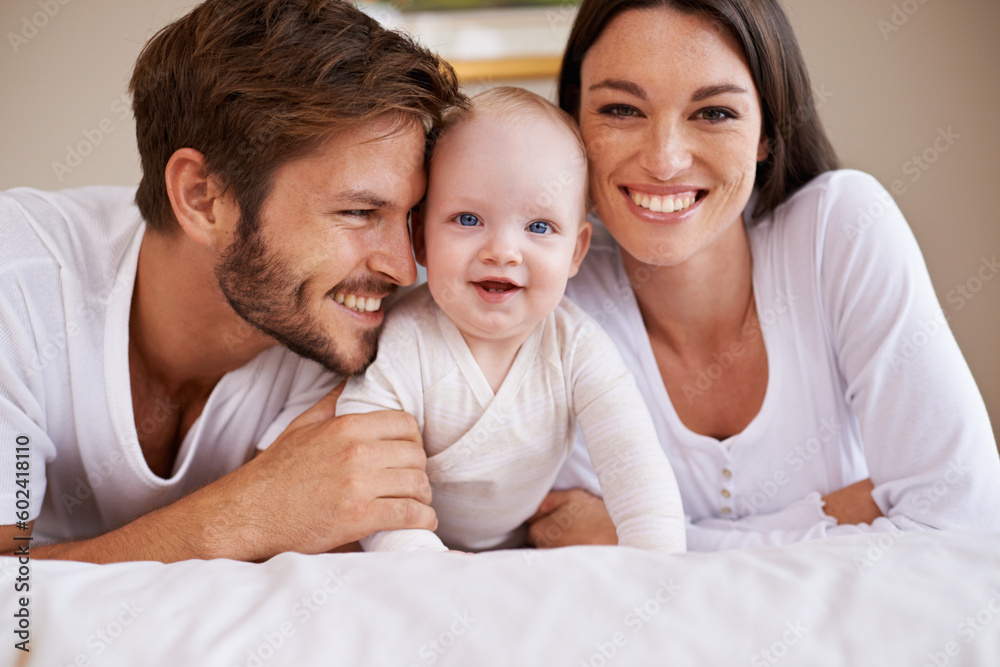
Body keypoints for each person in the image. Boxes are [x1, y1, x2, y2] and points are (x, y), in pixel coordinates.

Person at [0, 0, 465, 563]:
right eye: (359, 213)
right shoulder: (18, 283)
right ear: (203, 197)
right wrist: (241, 516)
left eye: (410, 216)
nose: (404, 267)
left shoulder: (344, 330)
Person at [527, 0, 1000, 551]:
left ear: (767, 134)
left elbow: (966, 520)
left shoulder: (840, 228)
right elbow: (537, 543)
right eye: (622, 109)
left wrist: (647, 538)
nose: (664, 159)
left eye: (714, 112)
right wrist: (841, 513)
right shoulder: (546, 291)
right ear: (574, 125)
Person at [334, 87, 686, 553]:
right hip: (422, 553)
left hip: (522, 546)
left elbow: (633, 463)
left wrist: (660, 569)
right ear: (420, 238)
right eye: (467, 219)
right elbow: (374, 484)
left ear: (575, 251)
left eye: (539, 227)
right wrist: (424, 569)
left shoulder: (577, 347)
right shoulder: (404, 342)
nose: (501, 250)